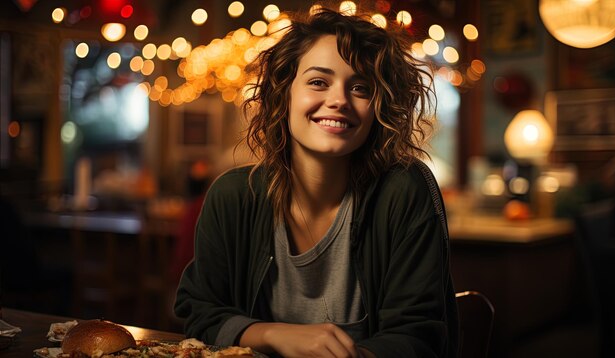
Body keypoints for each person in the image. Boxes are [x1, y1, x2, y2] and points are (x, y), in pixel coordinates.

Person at [175, 7, 458, 358]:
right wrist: (275, 334)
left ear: (377, 107)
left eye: (360, 87)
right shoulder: (233, 196)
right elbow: (199, 314)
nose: (339, 100)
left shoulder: (404, 191)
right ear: (284, 94)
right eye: (318, 82)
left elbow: (421, 336)